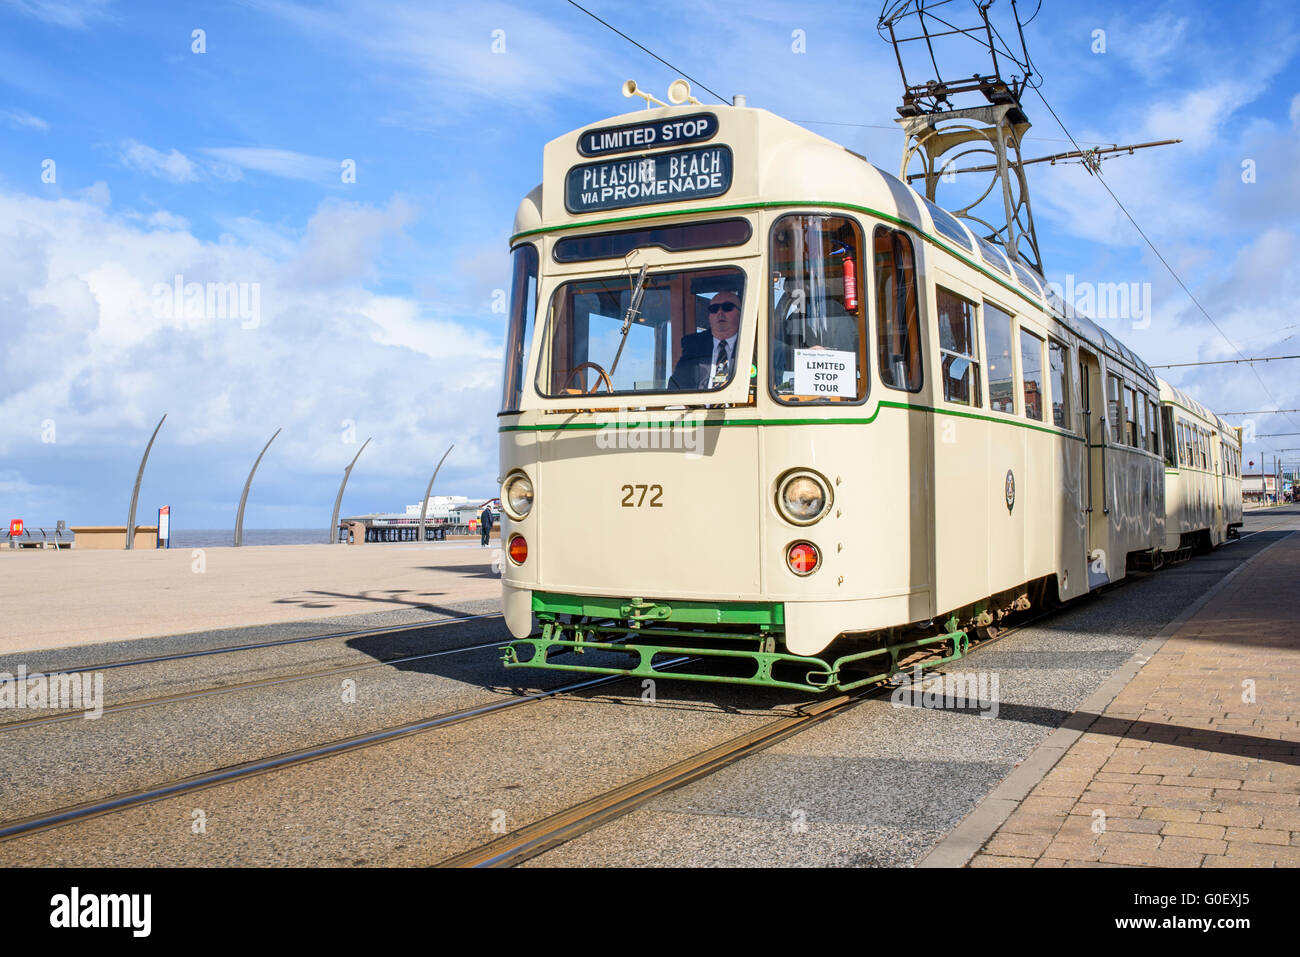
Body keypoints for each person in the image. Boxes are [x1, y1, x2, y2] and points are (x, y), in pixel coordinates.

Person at [669, 290, 742, 391]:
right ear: (709, 316)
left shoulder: (755, 346)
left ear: (741, 313)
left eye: (727, 307)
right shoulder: (693, 346)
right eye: (714, 309)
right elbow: (676, 386)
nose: (720, 312)